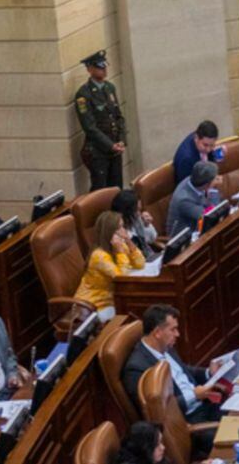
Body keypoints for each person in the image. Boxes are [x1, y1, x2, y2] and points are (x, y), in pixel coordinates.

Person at [122, 305, 225, 428]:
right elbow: (157, 411)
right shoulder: (136, 368)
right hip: (187, 422)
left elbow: (183, 370)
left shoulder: (164, 345)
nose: (178, 334)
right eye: (173, 329)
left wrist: (209, 372)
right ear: (157, 333)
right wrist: (194, 395)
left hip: (204, 404)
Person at [73, 211, 145, 321]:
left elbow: (140, 263)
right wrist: (121, 253)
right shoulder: (99, 256)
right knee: (131, 314)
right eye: (119, 228)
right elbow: (122, 280)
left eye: (123, 226)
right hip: (93, 305)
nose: (124, 231)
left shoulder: (119, 245)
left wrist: (129, 242)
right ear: (110, 233)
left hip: (112, 299)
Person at [75, 50, 127, 191]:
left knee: (117, 188)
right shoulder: (84, 94)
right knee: (101, 191)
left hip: (115, 148)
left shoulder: (109, 88)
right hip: (98, 151)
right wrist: (110, 145)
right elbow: (89, 127)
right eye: (99, 67)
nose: (104, 70)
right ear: (90, 69)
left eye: (105, 66)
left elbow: (118, 117)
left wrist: (121, 140)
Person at [167, 161, 221, 236]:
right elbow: (211, 215)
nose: (219, 178)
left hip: (196, 226)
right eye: (215, 178)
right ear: (206, 184)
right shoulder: (184, 200)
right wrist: (213, 189)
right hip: (184, 240)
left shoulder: (193, 180)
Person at [111, 189, 159, 261]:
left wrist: (147, 225)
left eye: (140, 209)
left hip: (149, 258)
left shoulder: (135, 219)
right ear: (126, 212)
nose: (139, 213)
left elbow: (152, 239)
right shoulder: (116, 232)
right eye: (137, 210)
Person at [172, 121, 223, 186]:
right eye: (205, 145)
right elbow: (189, 187)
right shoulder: (186, 159)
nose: (208, 149)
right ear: (196, 138)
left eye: (212, 145)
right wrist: (210, 183)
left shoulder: (202, 139)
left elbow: (210, 160)